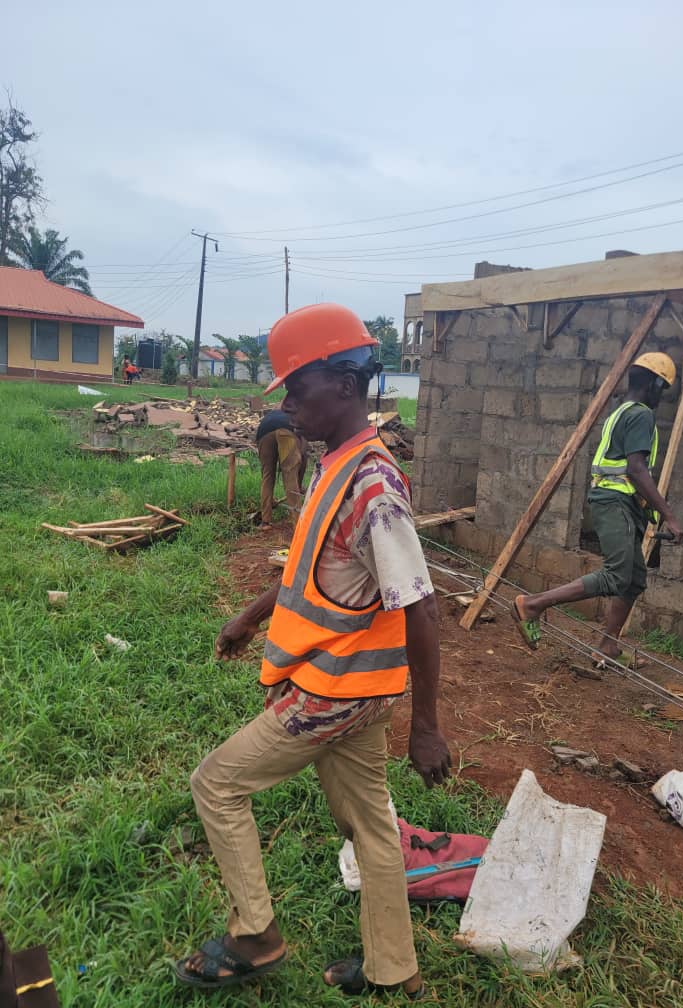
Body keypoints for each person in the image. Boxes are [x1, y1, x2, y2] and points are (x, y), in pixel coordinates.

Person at [175, 303, 451, 997]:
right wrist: (249, 616)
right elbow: (307, 567)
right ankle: (393, 967)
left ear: (346, 386)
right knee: (372, 826)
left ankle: (255, 936)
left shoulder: (374, 488)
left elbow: (421, 606)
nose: (288, 405)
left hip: (334, 693)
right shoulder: (336, 465)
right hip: (355, 691)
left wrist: (425, 726)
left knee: (216, 784)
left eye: (298, 389)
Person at [512, 352, 683, 667]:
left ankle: (608, 645)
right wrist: (669, 515)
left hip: (616, 501)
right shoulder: (641, 415)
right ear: (655, 384)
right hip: (615, 502)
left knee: (633, 579)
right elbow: (636, 469)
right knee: (617, 575)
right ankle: (533, 604)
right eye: (663, 389)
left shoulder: (620, 412)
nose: (662, 397)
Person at [255, 408, 307, 528]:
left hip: (263, 435)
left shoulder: (271, 415)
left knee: (267, 476)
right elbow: (304, 454)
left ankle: (265, 522)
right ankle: (297, 523)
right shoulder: (297, 418)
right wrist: (299, 485)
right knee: (290, 476)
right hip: (287, 432)